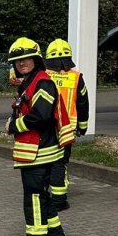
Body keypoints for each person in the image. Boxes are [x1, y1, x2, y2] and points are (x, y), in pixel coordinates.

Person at [5, 38, 66, 236]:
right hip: (37, 151)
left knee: (34, 201)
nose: (22, 63)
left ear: (36, 59)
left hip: (38, 154)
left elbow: (41, 114)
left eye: (26, 58)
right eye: (18, 60)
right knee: (44, 199)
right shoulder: (31, 82)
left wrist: (14, 126)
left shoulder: (42, 83)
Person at [45, 39, 88, 211]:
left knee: (45, 160)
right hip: (67, 129)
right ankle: (59, 200)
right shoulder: (76, 78)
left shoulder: (43, 76)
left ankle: (44, 193)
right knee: (59, 163)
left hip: (45, 127)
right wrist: (82, 127)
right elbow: (83, 104)